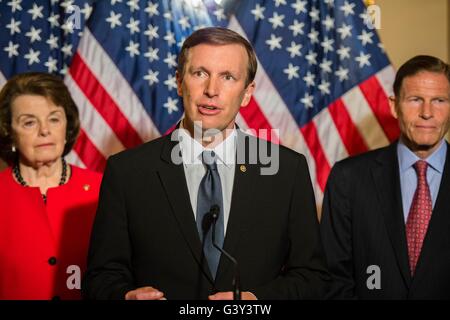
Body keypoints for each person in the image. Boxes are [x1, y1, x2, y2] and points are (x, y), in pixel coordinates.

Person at [83, 27, 329, 300]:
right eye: (200, 73)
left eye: (227, 77)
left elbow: (313, 278)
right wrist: (125, 297)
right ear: (179, 82)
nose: (212, 90)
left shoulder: (287, 171)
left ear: (247, 93)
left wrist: (257, 301)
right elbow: (100, 278)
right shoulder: (127, 171)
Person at [320, 55, 450, 299]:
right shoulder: (348, 179)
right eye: (415, 100)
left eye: (439, 100)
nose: (427, 113)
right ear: (394, 105)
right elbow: (332, 279)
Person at [0, 72, 102, 300]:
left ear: (67, 124)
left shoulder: (103, 189)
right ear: (9, 132)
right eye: (29, 122)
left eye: (54, 118)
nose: (44, 130)